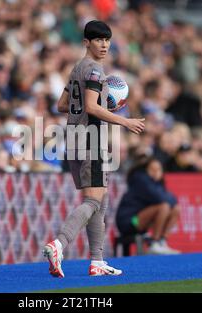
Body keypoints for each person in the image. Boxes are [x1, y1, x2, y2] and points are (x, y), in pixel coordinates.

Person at [42, 20, 145, 278]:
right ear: (86, 42)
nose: (104, 45)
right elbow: (91, 107)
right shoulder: (96, 70)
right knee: (93, 201)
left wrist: (96, 106)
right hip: (91, 138)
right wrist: (124, 120)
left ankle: (97, 261)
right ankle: (59, 244)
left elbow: (62, 104)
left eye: (107, 40)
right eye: (99, 40)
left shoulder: (77, 68)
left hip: (74, 136)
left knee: (101, 200)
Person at [116, 157, 181, 255]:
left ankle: (161, 241)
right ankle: (154, 243)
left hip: (141, 219)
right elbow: (162, 198)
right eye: (152, 170)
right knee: (164, 207)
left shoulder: (157, 183)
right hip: (130, 221)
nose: (156, 173)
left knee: (176, 209)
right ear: (146, 170)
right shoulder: (141, 180)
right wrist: (168, 198)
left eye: (158, 170)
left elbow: (173, 201)